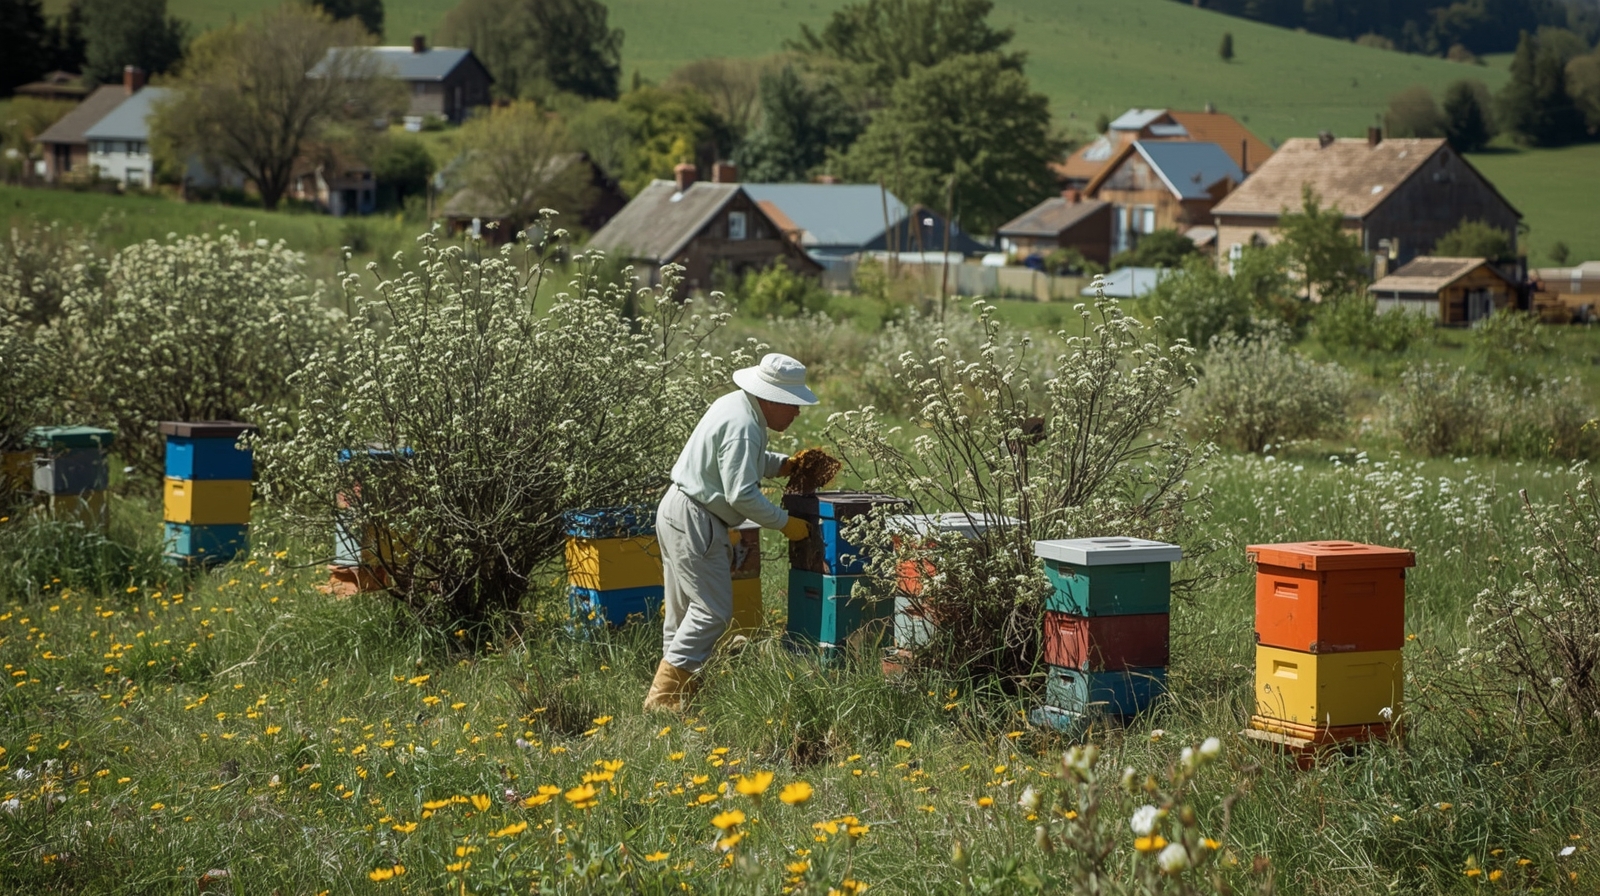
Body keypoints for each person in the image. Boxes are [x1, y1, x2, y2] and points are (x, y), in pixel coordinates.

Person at [644, 353, 817, 711]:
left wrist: (783, 465)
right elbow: (741, 493)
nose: (797, 412)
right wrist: (785, 524)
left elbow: (739, 459)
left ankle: (676, 700)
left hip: (678, 508)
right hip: (698, 518)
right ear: (772, 397)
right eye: (793, 403)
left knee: (682, 613)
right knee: (712, 611)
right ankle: (662, 701)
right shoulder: (745, 425)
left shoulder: (736, 406)